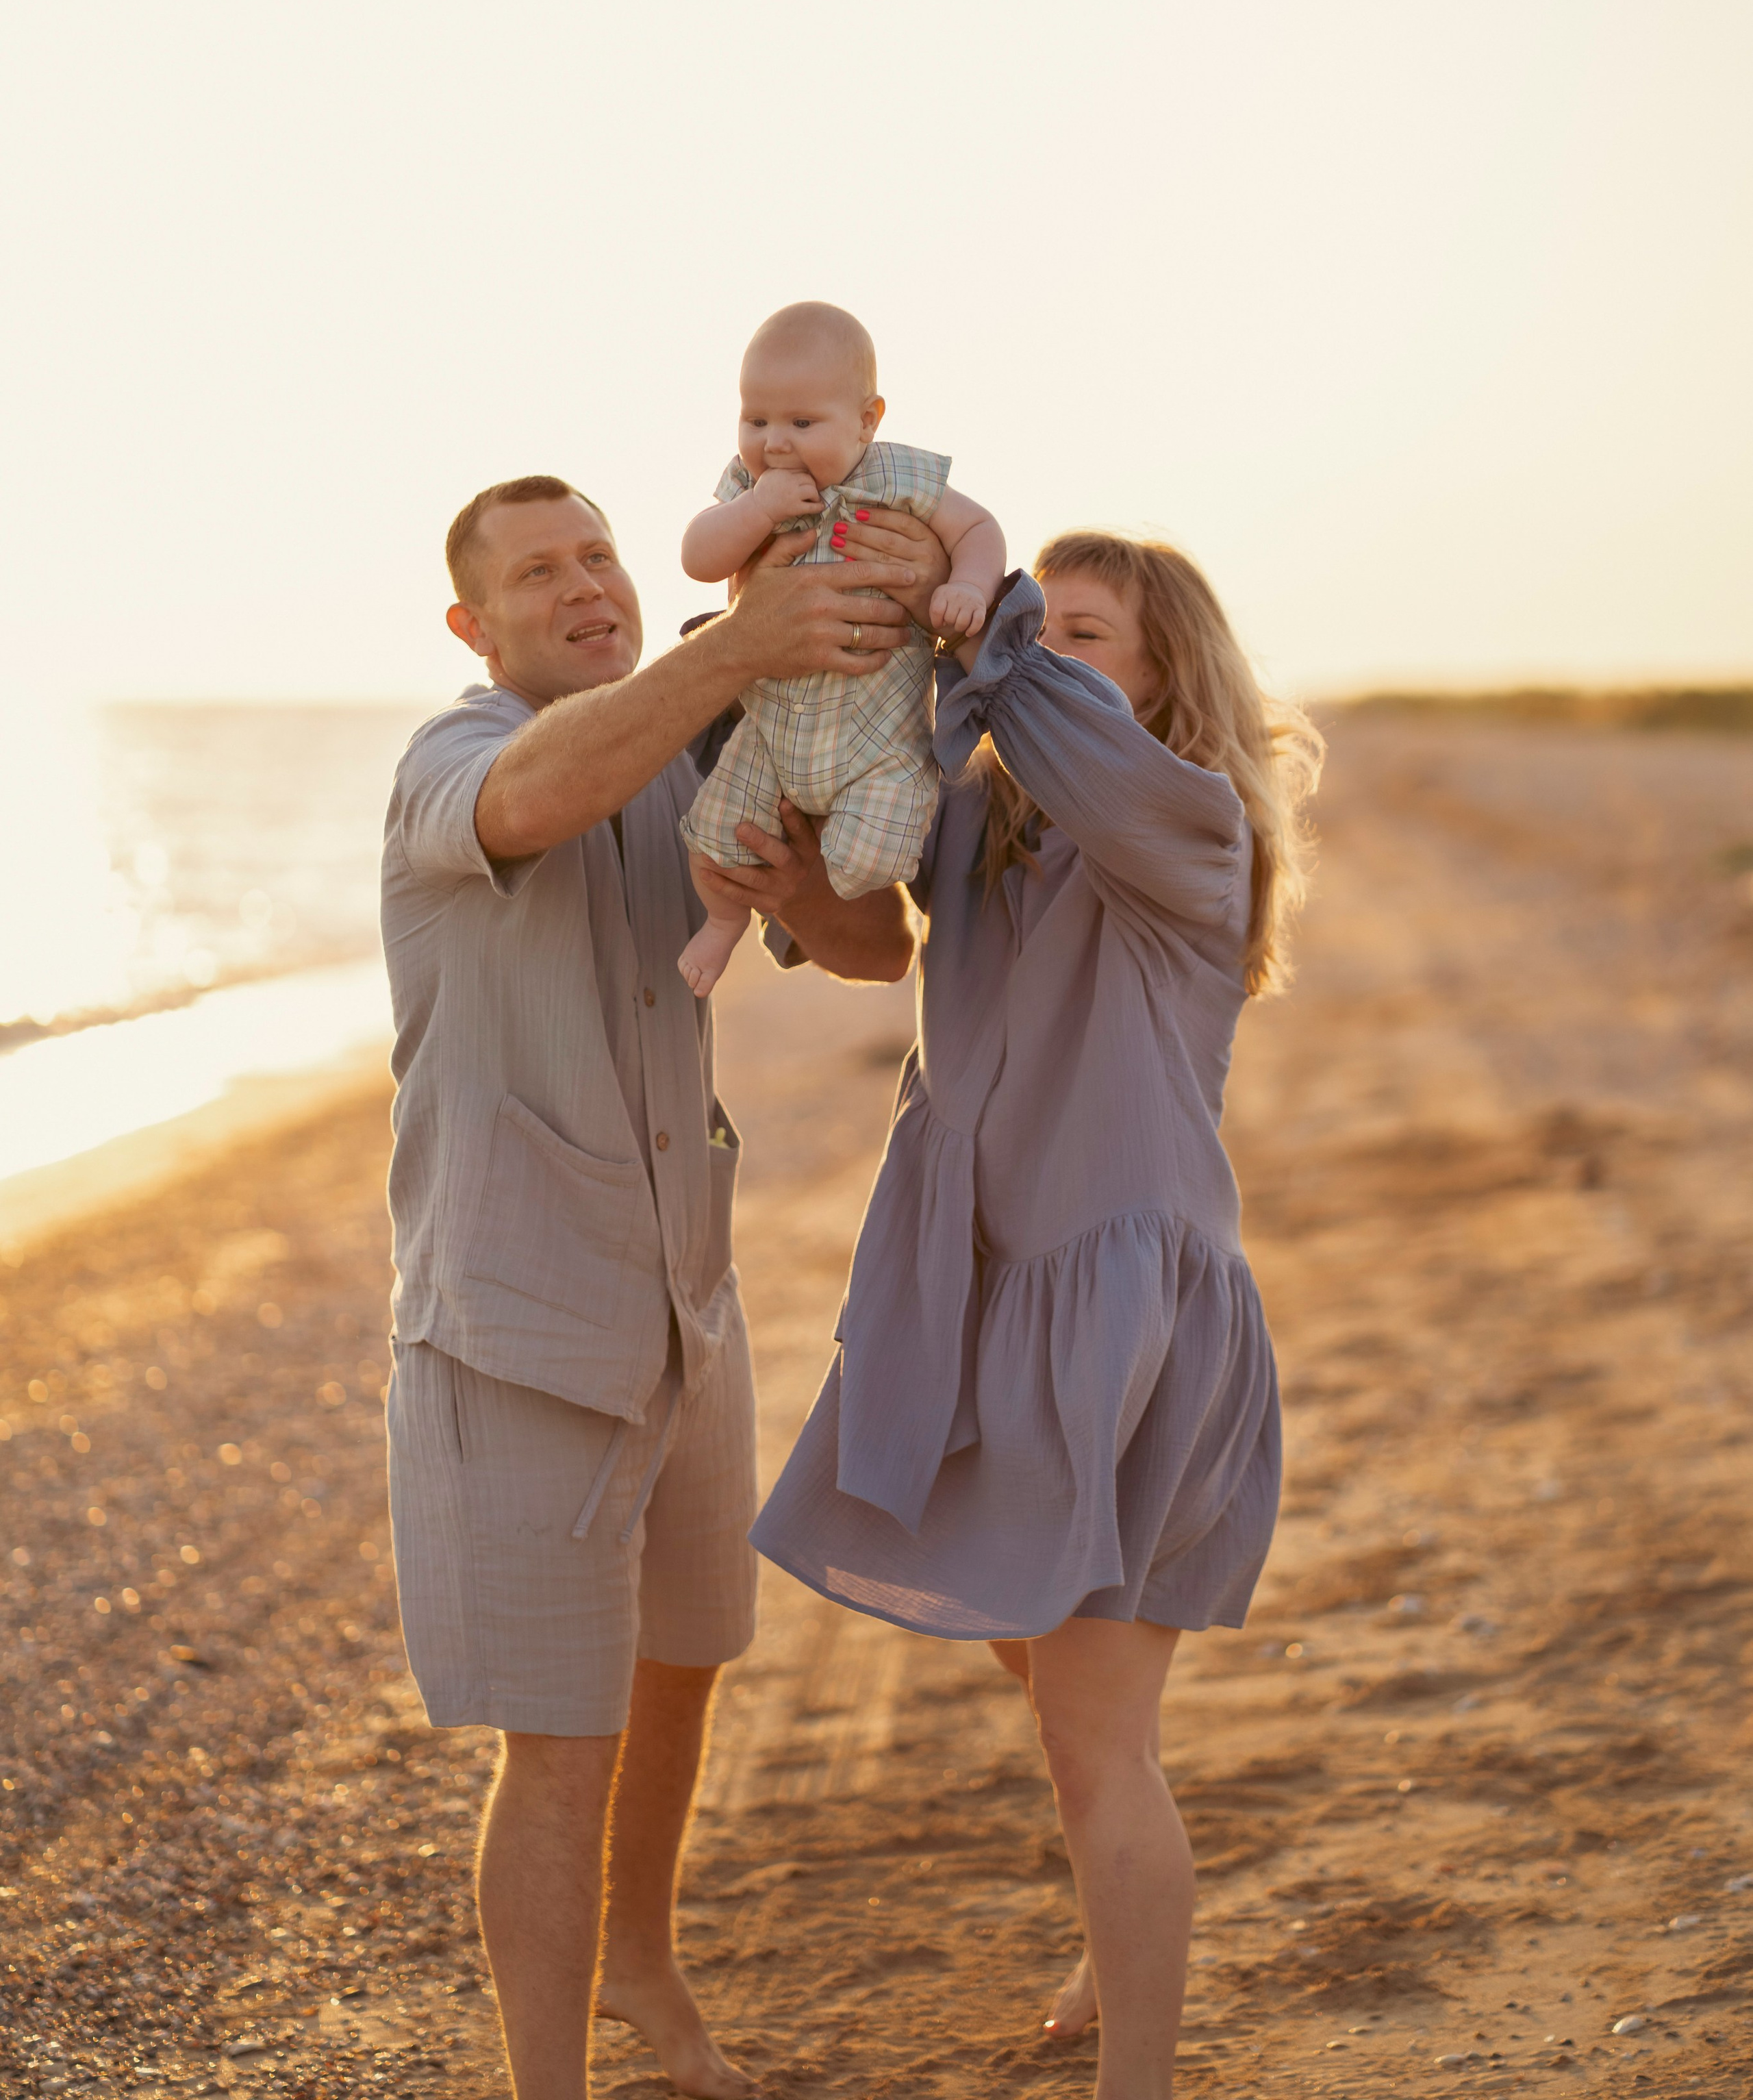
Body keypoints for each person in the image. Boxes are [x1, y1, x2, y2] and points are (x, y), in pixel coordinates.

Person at [752, 530, 1324, 2100]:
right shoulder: (995, 822)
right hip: (980, 1290)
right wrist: (794, 874)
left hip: (1120, 1314)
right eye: (1042, 629)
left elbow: (1009, 678)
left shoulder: (1186, 824)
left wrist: (981, 578)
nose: (1042, 655)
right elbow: (881, 942)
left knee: (1093, 1735)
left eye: (1084, 635)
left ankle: (1132, 2063)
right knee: (1033, 1642)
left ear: (1161, 676)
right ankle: (1110, 1869)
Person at [378, 473, 921, 2100]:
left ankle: (643, 1972)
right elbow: (539, 796)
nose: (585, 582)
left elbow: (869, 947)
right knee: (557, 1739)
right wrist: (738, 647)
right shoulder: (452, 757)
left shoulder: (690, 743)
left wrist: (793, 844)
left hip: (687, 1298)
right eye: (538, 571)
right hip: (517, 1324)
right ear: (477, 625)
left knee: (681, 1661)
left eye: (599, 552)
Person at [675, 300, 1005, 997]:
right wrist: (753, 512)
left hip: (876, 732)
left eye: (801, 422)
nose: (775, 443)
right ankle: (723, 926)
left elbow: (978, 528)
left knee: (867, 854)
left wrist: (969, 588)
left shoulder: (895, 478)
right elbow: (699, 559)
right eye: (755, 420)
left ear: (867, 420)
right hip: (770, 729)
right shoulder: (746, 490)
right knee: (718, 841)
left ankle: (839, 867)